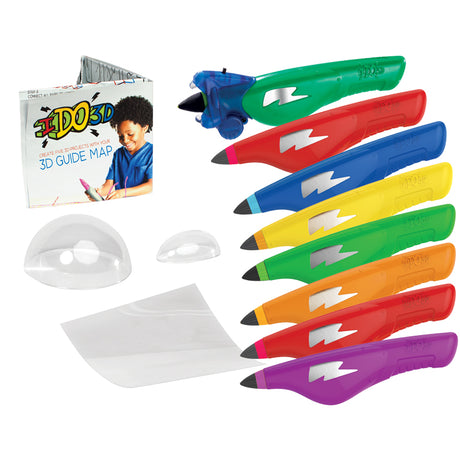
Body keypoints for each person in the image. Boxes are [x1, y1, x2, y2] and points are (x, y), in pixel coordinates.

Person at [96, 95, 153, 200]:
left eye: (130, 134)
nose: (125, 140)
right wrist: (98, 191)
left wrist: (123, 193)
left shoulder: (152, 153)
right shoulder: (118, 155)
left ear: (145, 128)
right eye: (120, 136)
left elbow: (151, 185)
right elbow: (109, 184)